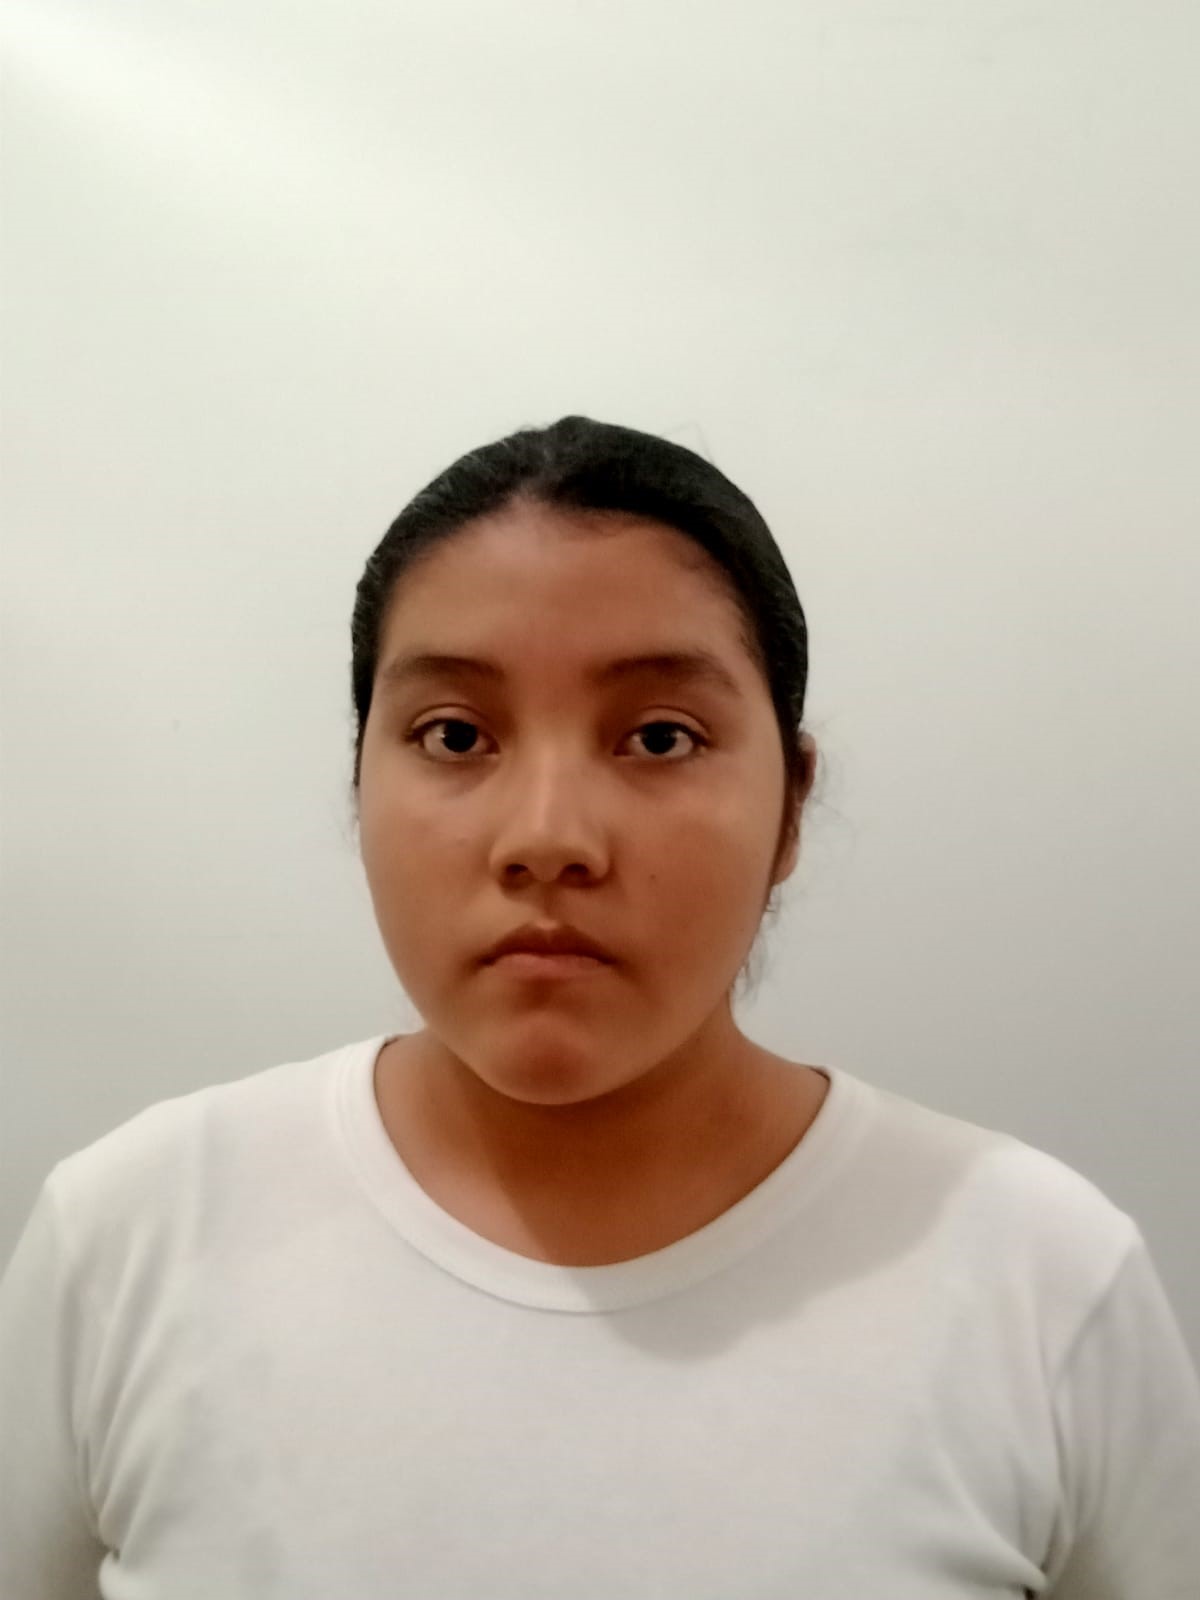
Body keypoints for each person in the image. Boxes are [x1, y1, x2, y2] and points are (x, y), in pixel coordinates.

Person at [2, 415, 1198, 1597]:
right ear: (359, 776)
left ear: (791, 805)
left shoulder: (1038, 1278)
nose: (547, 837)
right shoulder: (131, 1236)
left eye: (659, 737)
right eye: (455, 734)